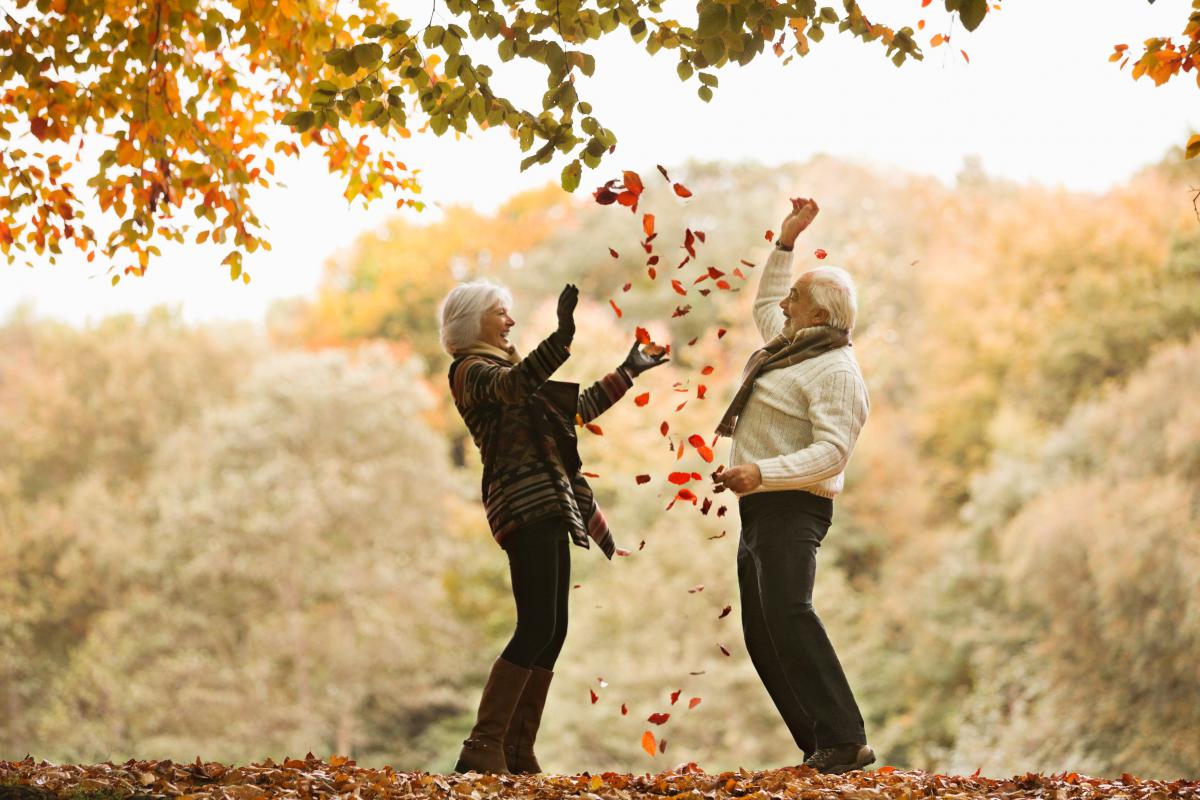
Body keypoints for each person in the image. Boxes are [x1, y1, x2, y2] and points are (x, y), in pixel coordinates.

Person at [439, 280, 667, 775]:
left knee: (554, 628)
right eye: (501, 312)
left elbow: (576, 410)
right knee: (536, 624)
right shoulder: (471, 372)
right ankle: (483, 746)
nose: (510, 321)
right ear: (472, 321)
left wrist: (627, 372)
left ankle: (517, 750)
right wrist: (562, 335)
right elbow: (514, 386)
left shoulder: (509, 373)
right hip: (522, 505)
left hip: (550, 502)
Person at [712, 198, 875, 775]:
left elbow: (833, 453)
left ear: (819, 313)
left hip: (794, 507)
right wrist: (785, 243)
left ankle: (845, 738)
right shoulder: (789, 350)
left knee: (790, 614)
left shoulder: (835, 371)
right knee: (763, 633)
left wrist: (762, 472)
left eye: (797, 298)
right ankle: (819, 746)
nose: (785, 305)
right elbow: (764, 301)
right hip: (760, 509)